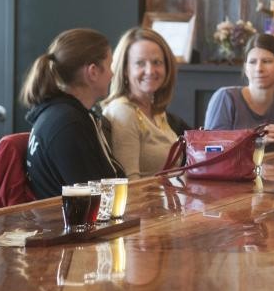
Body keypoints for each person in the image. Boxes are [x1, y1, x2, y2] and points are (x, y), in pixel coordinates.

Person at [21, 28, 124, 198]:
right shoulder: (69, 124)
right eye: (109, 65)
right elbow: (96, 199)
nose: (112, 74)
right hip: (67, 223)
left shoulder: (61, 115)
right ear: (93, 72)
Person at [102, 28, 180, 179]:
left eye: (157, 62)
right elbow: (130, 185)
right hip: (146, 202)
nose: (150, 71)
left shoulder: (156, 111)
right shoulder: (123, 112)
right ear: (125, 69)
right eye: (140, 63)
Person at [204, 33, 274, 141]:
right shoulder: (225, 97)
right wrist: (259, 140)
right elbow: (212, 146)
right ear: (246, 69)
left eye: (267, 61)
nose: (259, 68)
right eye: (252, 62)